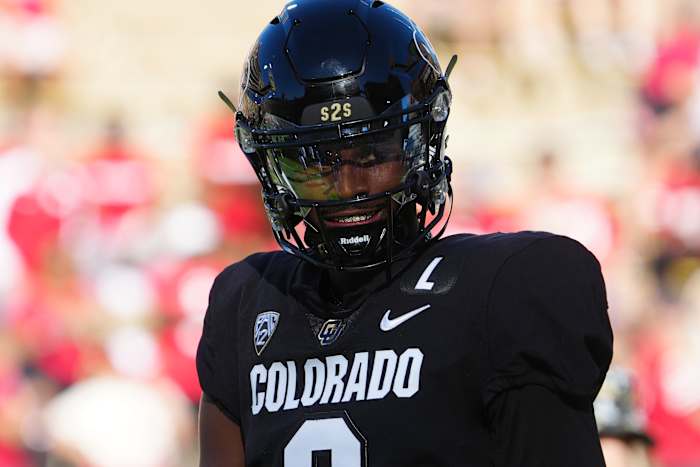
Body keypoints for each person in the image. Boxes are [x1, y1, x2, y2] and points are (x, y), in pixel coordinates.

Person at [196, 1, 613, 465]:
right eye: (315, 163)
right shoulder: (245, 302)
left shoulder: (509, 286)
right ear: (270, 166)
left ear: (422, 141)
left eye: (373, 154)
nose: (349, 187)